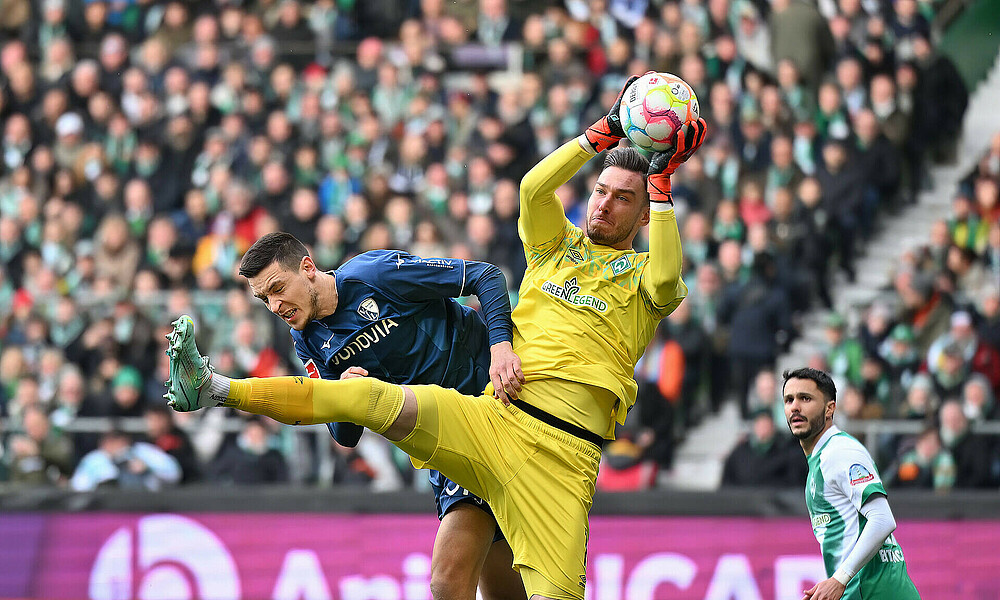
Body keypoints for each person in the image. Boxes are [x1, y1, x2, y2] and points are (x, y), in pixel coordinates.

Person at [164, 74, 706, 600]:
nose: (604, 204)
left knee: (516, 594)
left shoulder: (643, 278)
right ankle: (215, 387)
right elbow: (533, 188)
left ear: (645, 215)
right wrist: (601, 132)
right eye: (600, 191)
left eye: (622, 199)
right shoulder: (554, 248)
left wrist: (661, 188)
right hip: (492, 417)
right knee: (444, 574)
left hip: (557, 448)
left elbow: (656, 278)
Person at [234, 231, 525, 600]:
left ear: (307, 267)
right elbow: (344, 435)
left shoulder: (375, 274)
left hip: (493, 401)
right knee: (490, 590)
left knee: (450, 581)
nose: (274, 306)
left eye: (277, 288)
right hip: (448, 447)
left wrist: (501, 347)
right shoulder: (307, 340)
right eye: (264, 298)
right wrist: (343, 394)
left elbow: (485, 275)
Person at [781, 367, 921, 600]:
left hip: (878, 593)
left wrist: (839, 579)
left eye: (805, 398)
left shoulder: (840, 452)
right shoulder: (821, 459)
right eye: (789, 400)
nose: (795, 406)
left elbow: (883, 519)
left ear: (830, 408)